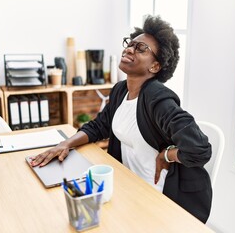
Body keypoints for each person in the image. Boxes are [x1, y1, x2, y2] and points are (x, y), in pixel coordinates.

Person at [31, 15, 212, 223]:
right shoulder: (120, 90)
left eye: (141, 48)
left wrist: (168, 155)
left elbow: (200, 149)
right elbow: (100, 126)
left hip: (162, 198)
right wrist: (65, 144)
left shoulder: (158, 98)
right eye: (130, 44)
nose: (129, 49)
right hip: (129, 186)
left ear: (155, 67)